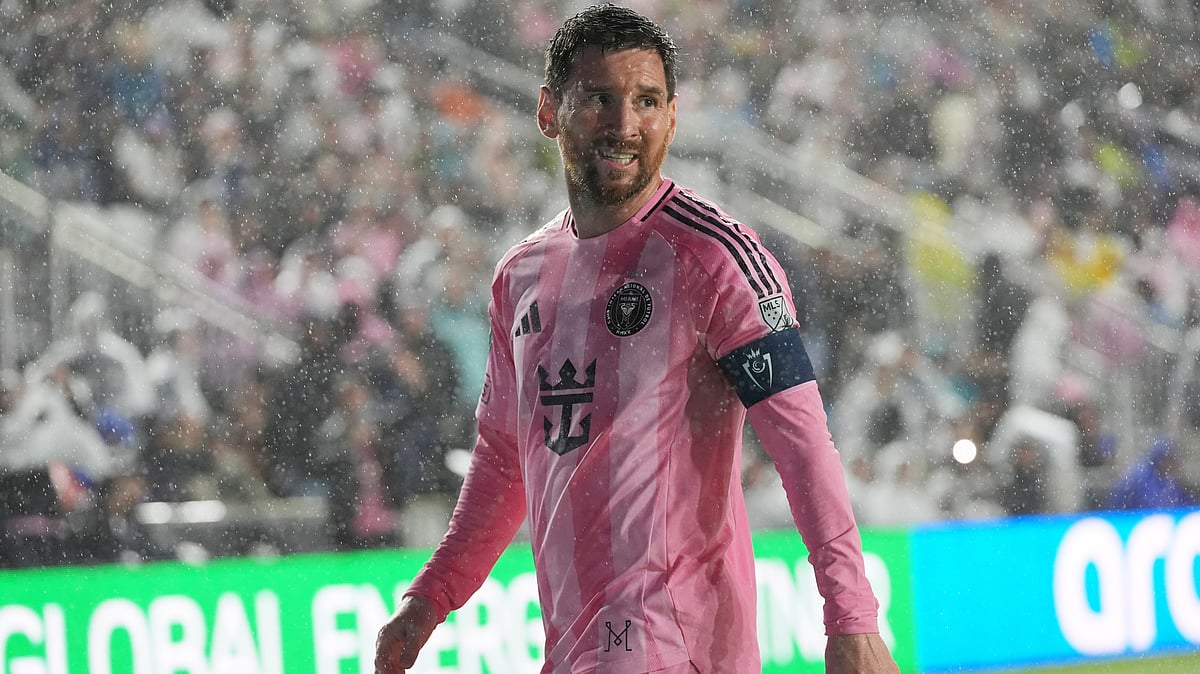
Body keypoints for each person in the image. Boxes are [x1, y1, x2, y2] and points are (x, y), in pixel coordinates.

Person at [375, 5, 898, 673]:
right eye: (599, 99)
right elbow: (507, 459)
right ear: (548, 112)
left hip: (680, 648)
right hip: (574, 651)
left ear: (672, 119)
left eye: (647, 101)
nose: (625, 124)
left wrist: (850, 616)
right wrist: (430, 600)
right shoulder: (521, 277)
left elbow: (802, 443)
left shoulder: (716, 258)